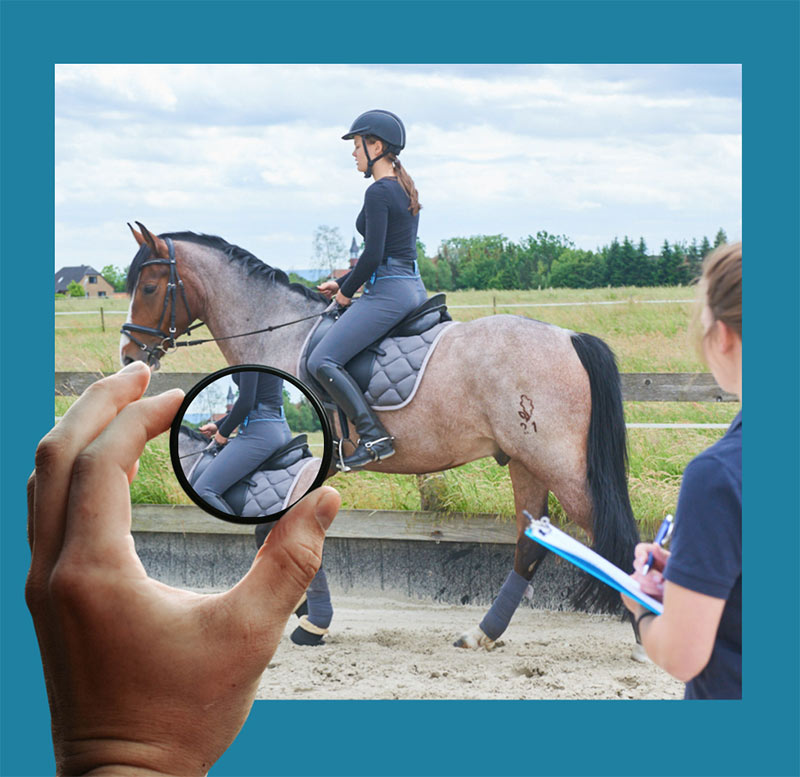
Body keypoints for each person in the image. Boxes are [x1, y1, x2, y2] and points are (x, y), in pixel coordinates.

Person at [26, 360, 341, 775]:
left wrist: (226, 432)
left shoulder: (247, 355)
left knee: (207, 485)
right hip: (265, 426)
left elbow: (247, 399)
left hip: (261, 430)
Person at [621, 241, 742, 699]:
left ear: (724, 335)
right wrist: (700, 568)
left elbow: (683, 654)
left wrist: (642, 609)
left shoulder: (717, 477)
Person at [308, 109, 427, 470]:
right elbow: (388, 252)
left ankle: (372, 434)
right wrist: (342, 282)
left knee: (320, 361)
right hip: (411, 286)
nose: (354, 153)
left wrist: (345, 296)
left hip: (389, 291)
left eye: (357, 145)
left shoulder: (378, 193)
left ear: (376, 145)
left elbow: (373, 254)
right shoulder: (404, 187)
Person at [194, 369, 291, 515]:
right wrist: (218, 426)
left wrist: (223, 432)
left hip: (260, 430)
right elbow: (258, 401)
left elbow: (246, 402)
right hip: (280, 425)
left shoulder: (249, 355)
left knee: (202, 491)